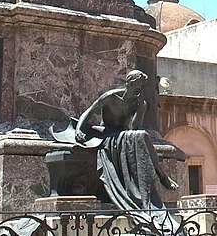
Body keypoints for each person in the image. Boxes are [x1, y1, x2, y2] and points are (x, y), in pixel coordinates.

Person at [58, 70, 177, 211]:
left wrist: (140, 107)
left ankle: (161, 175)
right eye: (138, 85)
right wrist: (78, 130)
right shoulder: (111, 97)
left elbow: (135, 127)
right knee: (141, 136)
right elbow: (89, 111)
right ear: (130, 84)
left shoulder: (139, 103)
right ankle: (161, 175)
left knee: (142, 135)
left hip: (123, 135)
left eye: (142, 86)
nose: (140, 89)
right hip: (106, 134)